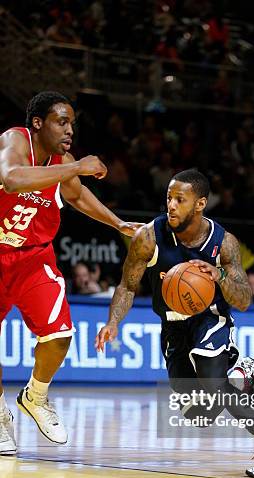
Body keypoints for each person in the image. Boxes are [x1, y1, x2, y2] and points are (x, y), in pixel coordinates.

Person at [95, 169, 254, 478]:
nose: (171, 206)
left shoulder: (224, 243)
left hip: (209, 318)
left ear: (200, 203)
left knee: (214, 384)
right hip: (172, 326)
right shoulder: (148, 238)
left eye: (180, 200)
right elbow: (127, 286)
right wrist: (113, 321)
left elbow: (243, 300)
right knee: (199, 415)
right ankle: (243, 372)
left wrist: (221, 276)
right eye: (168, 199)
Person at [0, 91, 141, 456]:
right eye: (61, 122)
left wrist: (118, 223)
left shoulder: (64, 162)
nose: (69, 130)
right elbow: (12, 178)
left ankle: (36, 395)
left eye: (72, 124)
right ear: (37, 123)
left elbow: (76, 196)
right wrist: (75, 167)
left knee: (60, 335)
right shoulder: (15, 141)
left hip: (32, 257)